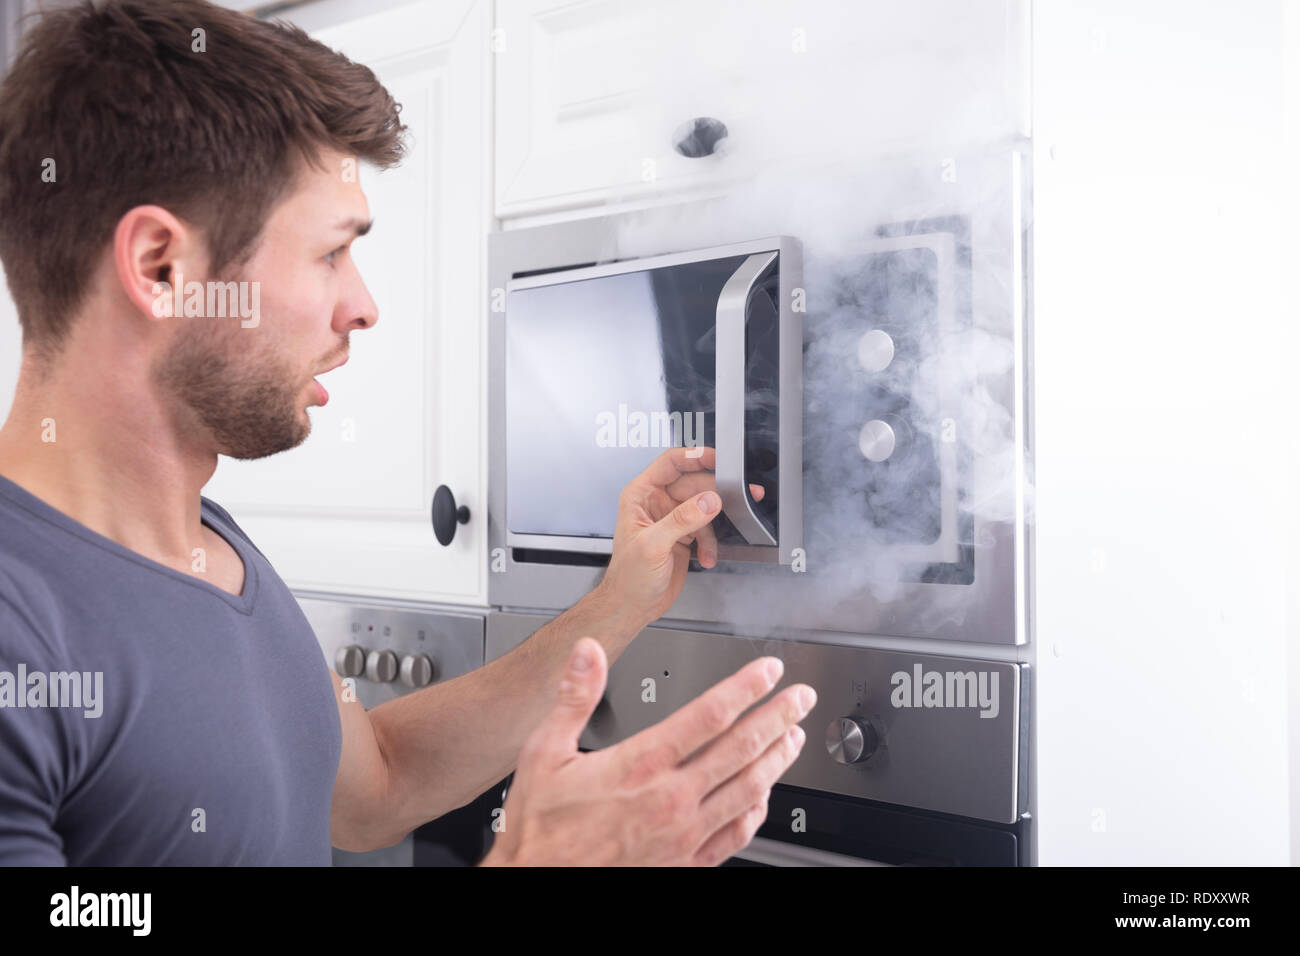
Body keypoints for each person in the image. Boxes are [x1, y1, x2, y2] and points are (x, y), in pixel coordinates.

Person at [0, 0, 813, 866]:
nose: (364, 305)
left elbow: (377, 784)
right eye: (329, 253)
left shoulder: (210, 548)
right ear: (164, 268)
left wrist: (621, 600)